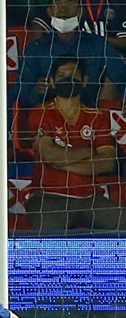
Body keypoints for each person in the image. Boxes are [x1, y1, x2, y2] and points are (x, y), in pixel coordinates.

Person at [26, 56, 125, 233]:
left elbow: (107, 162)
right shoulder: (40, 112)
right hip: (49, 198)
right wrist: (89, 151)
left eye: (73, 75)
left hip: (90, 198)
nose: (67, 79)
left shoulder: (97, 116)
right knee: (49, 237)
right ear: (52, 82)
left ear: (84, 81)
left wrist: (60, 162)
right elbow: (49, 155)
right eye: (61, 75)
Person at [17, 0, 126, 108]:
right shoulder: (36, 50)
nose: (63, 9)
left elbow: (121, 76)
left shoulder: (98, 45)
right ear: (49, 12)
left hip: (92, 119)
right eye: (58, 3)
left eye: (70, 3)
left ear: (80, 11)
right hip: (47, 119)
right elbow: (19, 91)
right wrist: (36, 90)